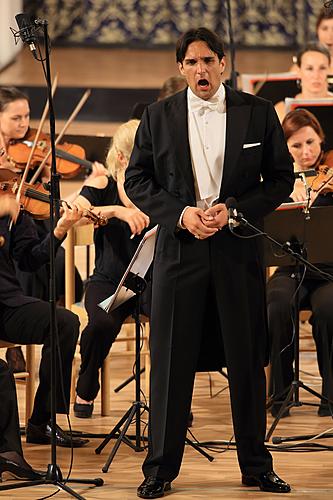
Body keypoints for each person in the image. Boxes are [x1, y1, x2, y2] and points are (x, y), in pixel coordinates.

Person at [124, 27, 294, 498]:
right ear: (181, 68)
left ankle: (256, 466)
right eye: (192, 62)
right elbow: (136, 179)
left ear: (224, 64)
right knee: (171, 364)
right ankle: (159, 470)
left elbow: (281, 178)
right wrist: (180, 214)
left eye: (209, 61)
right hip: (180, 254)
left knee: (245, 361)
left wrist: (235, 209)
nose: (201, 69)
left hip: (238, 251)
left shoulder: (258, 113)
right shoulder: (156, 117)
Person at [72, 119, 150, 418]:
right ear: (121, 157)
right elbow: (73, 215)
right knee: (102, 324)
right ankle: (86, 386)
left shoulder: (155, 185)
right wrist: (117, 211)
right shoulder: (103, 184)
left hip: (149, 278)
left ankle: (168, 394)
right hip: (110, 280)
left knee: (176, 316)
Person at [0, 193, 88, 448]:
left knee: (65, 323)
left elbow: (30, 260)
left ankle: (42, 420)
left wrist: (60, 229)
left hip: (7, 303)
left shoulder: (15, 211)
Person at [267, 108, 333, 418]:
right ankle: (281, 395)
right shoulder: (277, 183)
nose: (306, 152)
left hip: (329, 271)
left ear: (321, 140)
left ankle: (330, 397)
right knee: (277, 304)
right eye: (296, 146)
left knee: (330, 310)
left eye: (311, 143)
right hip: (291, 267)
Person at [276, 43, 333, 122]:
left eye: (322, 68)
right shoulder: (281, 110)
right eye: (309, 68)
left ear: (329, 70)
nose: (316, 75)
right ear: (299, 71)